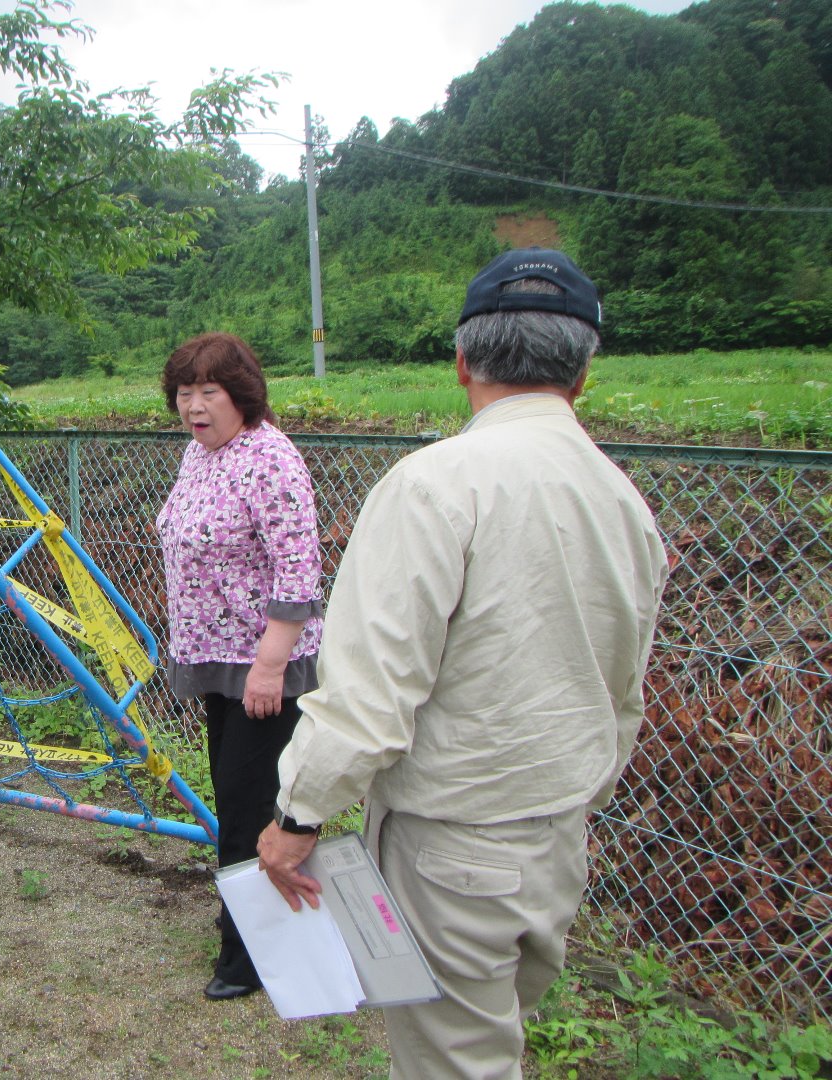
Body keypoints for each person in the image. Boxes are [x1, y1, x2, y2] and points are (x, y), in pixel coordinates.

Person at [257, 249, 668, 1077]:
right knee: (496, 1037)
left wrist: (297, 817)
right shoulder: (625, 502)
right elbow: (625, 691)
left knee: (459, 1064)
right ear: (583, 372)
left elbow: (371, 695)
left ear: (462, 363)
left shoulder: (436, 484)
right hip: (558, 835)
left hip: (452, 842)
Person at [156, 332, 324, 1001]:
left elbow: (297, 565)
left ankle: (247, 958)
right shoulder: (197, 456)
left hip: (262, 665)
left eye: (209, 392)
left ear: (241, 394)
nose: (194, 406)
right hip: (216, 661)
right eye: (184, 392)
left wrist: (269, 666)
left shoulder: (270, 457)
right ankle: (257, 931)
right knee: (237, 802)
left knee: (251, 806)